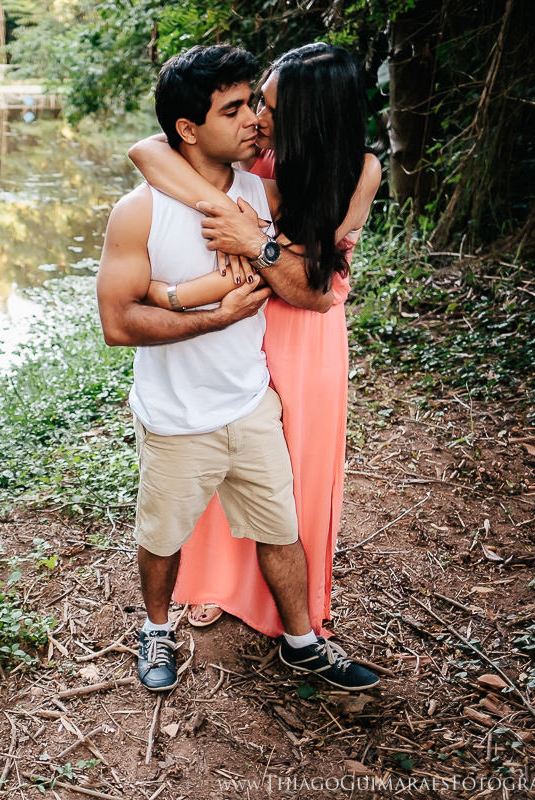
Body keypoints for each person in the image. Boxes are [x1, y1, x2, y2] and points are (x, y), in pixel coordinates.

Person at [96, 44, 378, 693]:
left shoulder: (308, 182)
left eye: (265, 106)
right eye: (246, 106)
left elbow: (313, 283)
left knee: (286, 504)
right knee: (179, 506)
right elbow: (148, 153)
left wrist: (253, 236)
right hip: (210, 369)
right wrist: (194, 296)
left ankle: (301, 635)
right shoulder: (189, 190)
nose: (257, 119)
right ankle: (179, 614)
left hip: (277, 367)